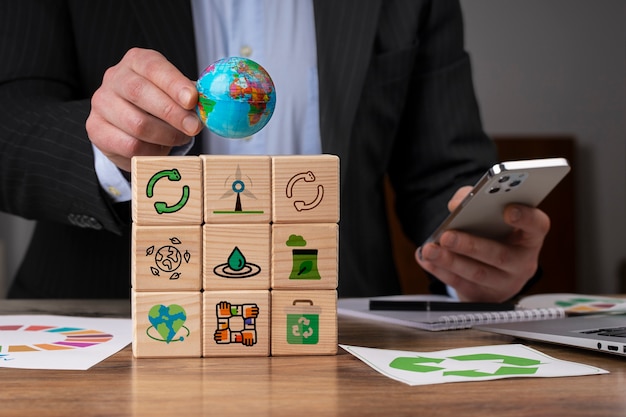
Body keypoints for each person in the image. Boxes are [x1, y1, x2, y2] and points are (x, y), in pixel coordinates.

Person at [0, 0, 547, 301]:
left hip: (333, 329)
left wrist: (479, 253)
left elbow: (443, 172)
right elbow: (9, 125)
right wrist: (110, 147)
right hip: (112, 323)